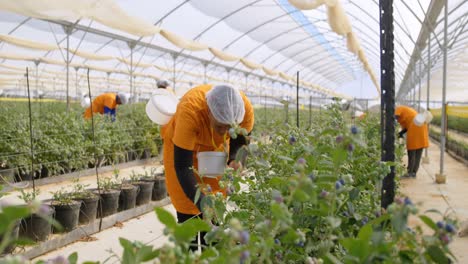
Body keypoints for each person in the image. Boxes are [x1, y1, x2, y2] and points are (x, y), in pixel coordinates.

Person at [162, 84, 254, 250]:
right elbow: (183, 166)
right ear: (209, 112)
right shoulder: (190, 111)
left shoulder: (243, 109)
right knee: (188, 212)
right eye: (220, 126)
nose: (224, 132)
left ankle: (210, 250)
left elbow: (241, 140)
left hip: (214, 153)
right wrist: (200, 201)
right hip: (183, 153)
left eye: (229, 128)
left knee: (214, 205)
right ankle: (189, 253)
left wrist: (235, 158)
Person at [395, 105, 429, 178]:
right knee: (418, 151)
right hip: (421, 125)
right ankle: (413, 173)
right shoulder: (408, 111)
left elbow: (395, 118)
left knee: (412, 150)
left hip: (415, 127)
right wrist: (400, 133)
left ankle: (409, 172)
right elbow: (406, 127)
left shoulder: (399, 108)